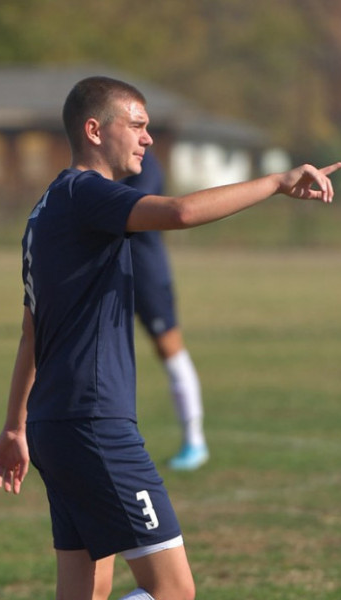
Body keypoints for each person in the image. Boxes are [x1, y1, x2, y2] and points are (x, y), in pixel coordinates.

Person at [0, 75, 341, 600]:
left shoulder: (44, 210)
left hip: (53, 425)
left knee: (85, 591)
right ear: (93, 130)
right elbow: (179, 212)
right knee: (174, 593)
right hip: (95, 423)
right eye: (136, 125)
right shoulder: (88, 194)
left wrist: (16, 426)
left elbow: (30, 334)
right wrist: (274, 183)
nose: (147, 138)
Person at [123, 153, 208, 471]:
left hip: (146, 273)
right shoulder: (99, 166)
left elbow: (140, 211)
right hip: (105, 273)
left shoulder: (144, 165)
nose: (143, 137)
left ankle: (194, 440)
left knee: (168, 348)